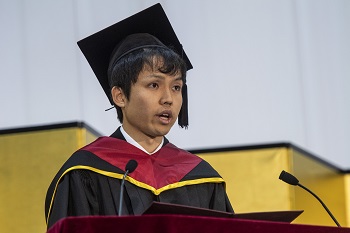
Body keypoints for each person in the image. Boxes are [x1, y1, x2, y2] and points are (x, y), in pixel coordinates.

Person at [45, 3, 233, 229]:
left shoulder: (201, 177)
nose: (169, 99)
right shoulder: (84, 173)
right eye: (154, 85)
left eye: (176, 87)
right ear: (120, 96)